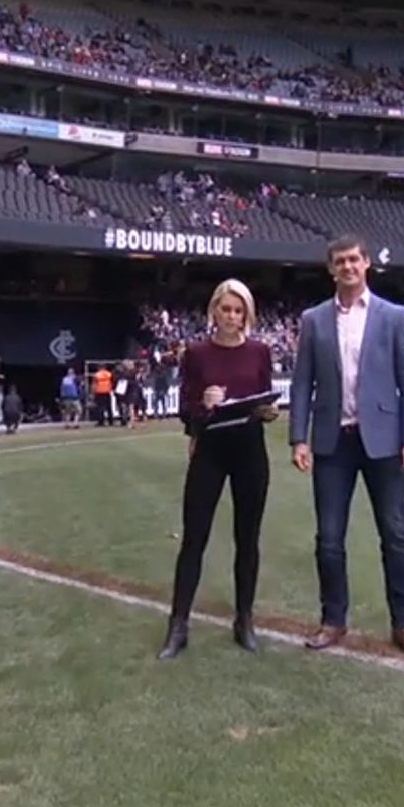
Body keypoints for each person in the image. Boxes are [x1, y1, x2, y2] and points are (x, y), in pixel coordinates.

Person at [287, 237, 404, 657]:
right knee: (329, 538)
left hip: (384, 442)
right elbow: (301, 384)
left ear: (367, 263)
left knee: (395, 534)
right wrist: (299, 438)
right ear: (331, 269)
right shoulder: (314, 320)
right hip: (333, 443)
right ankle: (333, 620)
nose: (348, 266)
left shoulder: (393, 316)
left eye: (354, 259)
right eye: (340, 261)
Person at [158, 279, 277, 660]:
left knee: (248, 539)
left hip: (250, 451)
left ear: (247, 315)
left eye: (238, 310)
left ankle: (244, 619)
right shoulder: (196, 353)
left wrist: (267, 411)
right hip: (210, 451)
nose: (231, 316)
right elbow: (185, 411)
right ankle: (178, 625)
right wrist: (204, 404)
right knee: (195, 538)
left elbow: (264, 399)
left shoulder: (260, 352)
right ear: (214, 311)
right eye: (225, 309)